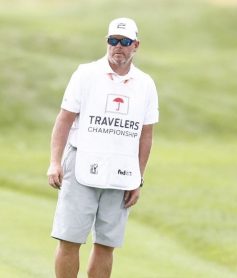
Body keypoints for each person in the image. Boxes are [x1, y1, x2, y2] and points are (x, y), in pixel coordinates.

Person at [47, 17, 159, 278]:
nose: (117, 46)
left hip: (121, 170)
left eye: (124, 41)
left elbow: (146, 135)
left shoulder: (146, 84)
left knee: (107, 243)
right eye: (113, 41)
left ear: (136, 45)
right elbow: (63, 120)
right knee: (70, 238)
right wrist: (55, 161)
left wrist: (138, 178)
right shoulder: (85, 73)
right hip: (82, 162)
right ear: (106, 42)